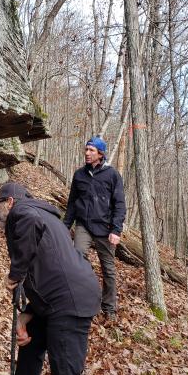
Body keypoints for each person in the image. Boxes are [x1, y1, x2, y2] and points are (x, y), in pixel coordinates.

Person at [0, 182, 101, 375]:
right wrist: (26, 315)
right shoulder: (46, 219)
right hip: (59, 297)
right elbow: (42, 274)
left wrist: (14, 274)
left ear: (11, 202)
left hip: (68, 302)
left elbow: (25, 257)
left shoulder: (24, 213)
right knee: (31, 345)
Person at [64, 136, 126, 321]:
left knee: (108, 270)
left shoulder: (112, 175)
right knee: (77, 258)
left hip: (105, 229)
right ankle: (82, 297)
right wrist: (65, 226)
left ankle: (109, 308)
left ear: (100, 153)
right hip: (83, 225)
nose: (87, 153)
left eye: (91, 150)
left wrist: (116, 230)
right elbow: (72, 203)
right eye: (86, 150)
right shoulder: (79, 175)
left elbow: (120, 204)